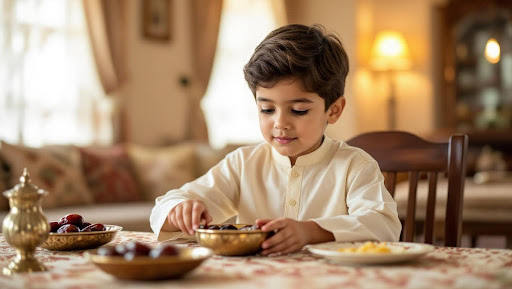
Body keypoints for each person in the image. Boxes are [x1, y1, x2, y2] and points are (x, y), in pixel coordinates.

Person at [150, 24, 401, 256]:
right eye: (267, 110)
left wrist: (312, 231)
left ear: (333, 110)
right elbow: (166, 205)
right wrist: (180, 211)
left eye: (299, 110)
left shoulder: (354, 165)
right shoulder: (243, 163)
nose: (280, 123)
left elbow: (384, 225)